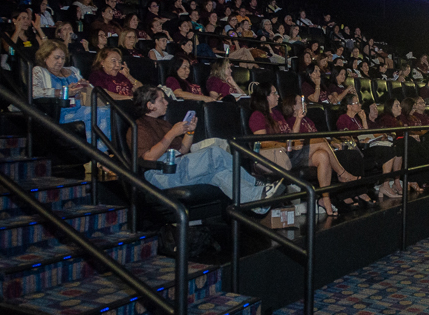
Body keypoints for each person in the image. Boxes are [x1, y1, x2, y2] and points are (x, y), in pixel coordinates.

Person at [130, 87, 281, 209]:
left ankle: (259, 201)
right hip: (161, 172)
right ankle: (257, 183)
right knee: (214, 152)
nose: (166, 102)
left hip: (179, 166)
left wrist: (190, 132)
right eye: (161, 100)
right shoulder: (138, 127)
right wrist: (172, 133)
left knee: (220, 174)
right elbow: (149, 158)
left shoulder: (164, 124)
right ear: (150, 105)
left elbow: (183, 150)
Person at [248, 83, 356, 217]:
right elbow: (263, 143)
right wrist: (286, 144)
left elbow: (291, 135)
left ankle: (325, 200)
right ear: (265, 97)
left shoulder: (277, 113)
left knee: (322, 155)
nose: (278, 96)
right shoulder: (257, 116)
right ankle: (342, 173)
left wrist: (298, 119)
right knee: (320, 141)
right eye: (274, 93)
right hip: (277, 156)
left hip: (290, 152)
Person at [31, 40, 111, 149]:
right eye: (56, 57)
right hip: (61, 112)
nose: (60, 61)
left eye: (63, 58)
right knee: (94, 113)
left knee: (106, 109)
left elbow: (88, 90)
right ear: (45, 57)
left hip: (80, 106)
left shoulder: (73, 70)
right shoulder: (39, 71)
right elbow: (35, 92)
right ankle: (97, 152)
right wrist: (63, 92)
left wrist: (83, 86)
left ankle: (104, 150)